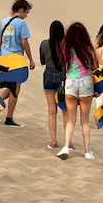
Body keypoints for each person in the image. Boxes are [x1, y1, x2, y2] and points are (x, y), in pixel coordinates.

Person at [0, 0, 35, 127]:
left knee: (10, 85)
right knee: (15, 88)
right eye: (26, 12)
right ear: (21, 10)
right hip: (16, 60)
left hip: (3, 58)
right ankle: (9, 118)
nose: (26, 15)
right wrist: (31, 59)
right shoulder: (21, 23)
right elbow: (24, 42)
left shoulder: (3, 22)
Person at [56, 22, 99, 160]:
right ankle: (87, 152)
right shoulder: (89, 48)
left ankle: (66, 147)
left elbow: (64, 66)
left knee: (70, 120)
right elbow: (95, 68)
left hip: (71, 83)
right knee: (85, 121)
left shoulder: (66, 48)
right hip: (86, 82)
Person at [39, 20, 68, 149]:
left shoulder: (44, 44)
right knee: (65, 110)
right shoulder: (65, 45)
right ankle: (68, 141)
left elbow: (42, 61)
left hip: (48, 75)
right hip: (62, 77)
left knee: (52, 111)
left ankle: (54, 141)